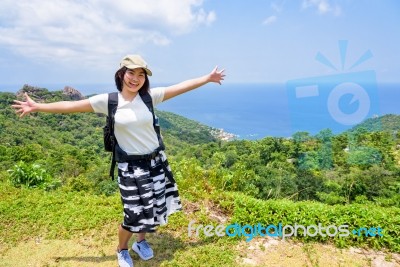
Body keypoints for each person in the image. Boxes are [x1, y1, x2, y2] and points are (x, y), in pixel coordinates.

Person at [12, 54, 225, 267]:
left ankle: (140, 242)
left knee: (149, 208)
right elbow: (71, 106)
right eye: (131, 73)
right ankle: (122, 249)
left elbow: (181, 86)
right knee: (133, 213)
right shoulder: (109, 101)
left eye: (141, 74)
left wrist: (207, 78)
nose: (135, 78)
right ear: (121, 74)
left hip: (155, 163)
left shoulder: (150, 97)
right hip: (130, 167)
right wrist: (38, 107)